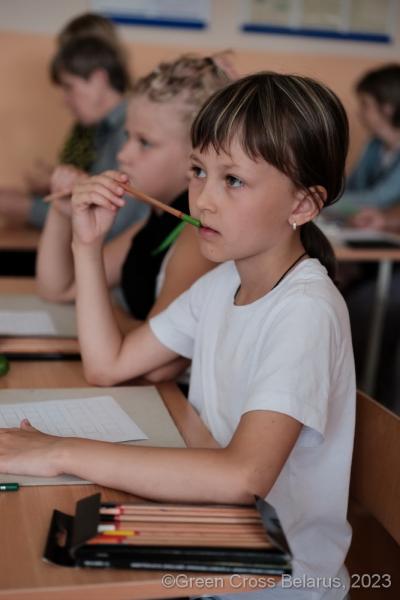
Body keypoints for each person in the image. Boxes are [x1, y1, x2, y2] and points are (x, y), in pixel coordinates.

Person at [0, 72, 355, 600]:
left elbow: (243, 477)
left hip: (274, 584)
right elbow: (108, 364)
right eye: (198, 171)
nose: (202, 200)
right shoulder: (223, 283)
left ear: (302, 205)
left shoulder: (306, 310)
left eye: (233, 180)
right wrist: (87, 245)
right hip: (212, 544)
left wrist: (58, 452)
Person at [37, 54, 232, 327]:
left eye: (145, 142)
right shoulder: (156, 220)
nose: (123, 154)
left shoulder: (197, 235)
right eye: (127, 137)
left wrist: (106, 305)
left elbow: (156, 350)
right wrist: (61, 213)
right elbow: (59, 289)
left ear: (197, 155)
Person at [0, 33, 144, 238]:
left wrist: (26, 208)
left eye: (69, 87)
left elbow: (112, 222)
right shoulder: (103, 129)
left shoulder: (130, 130)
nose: (65, 100)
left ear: (99, 79)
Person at [326, 63, 400, 220]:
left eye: (365, 104)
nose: (359, 112)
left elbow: (379, 199)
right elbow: (353, 186)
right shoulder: (374, 145)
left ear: (388, 107)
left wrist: (322, 201)